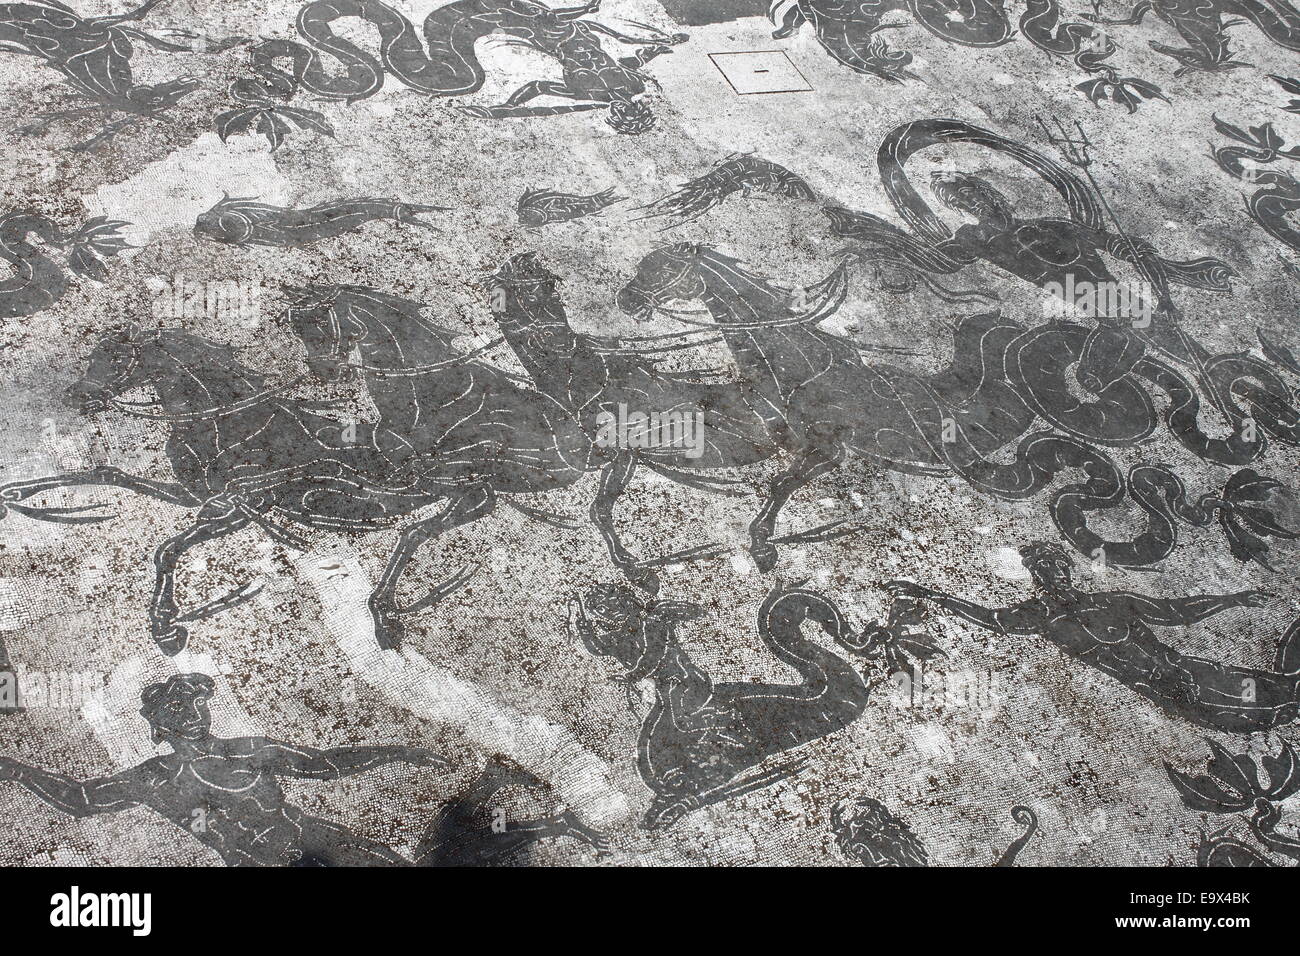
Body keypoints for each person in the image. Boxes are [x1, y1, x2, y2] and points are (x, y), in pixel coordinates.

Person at [886, 542, 1297, 733]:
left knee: (1282, 690)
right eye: (1045, 570)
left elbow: (1174, 612)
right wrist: (934, 595)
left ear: (1068, 572)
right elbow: (990, 618)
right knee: (1258, 720)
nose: (1053, 575)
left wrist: (1232, 598)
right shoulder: (1038, 616)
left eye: (1058, 567)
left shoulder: (1108, 601)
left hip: (1187, 671)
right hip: (1162, 693)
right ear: (1038, 578)